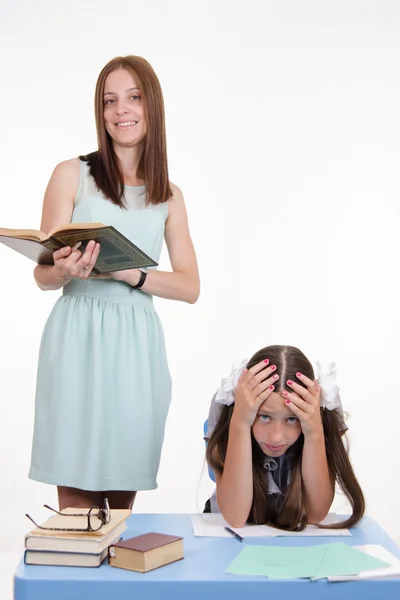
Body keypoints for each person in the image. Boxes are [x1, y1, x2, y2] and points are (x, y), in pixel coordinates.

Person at [29, 55, 200, 510]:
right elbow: (41, 273)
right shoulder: (72, 174)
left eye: (133, 97)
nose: (121, 110)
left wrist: (130, 273)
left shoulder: (169, 195)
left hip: (134, 345)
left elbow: (189, 286)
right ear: (100, 111)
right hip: (76, 336)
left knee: (121, 514)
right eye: (110, 101)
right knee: (76, 506)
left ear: (151, 106)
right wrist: (62, 269)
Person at [204, 345, 365, 530]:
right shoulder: (228, 408)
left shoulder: (320, 416)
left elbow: (315, 514)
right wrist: (240, 423)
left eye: (291, 419)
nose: (276, 437)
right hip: (223, 532)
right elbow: (235, 517)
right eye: (264, 416)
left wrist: (314, 432)